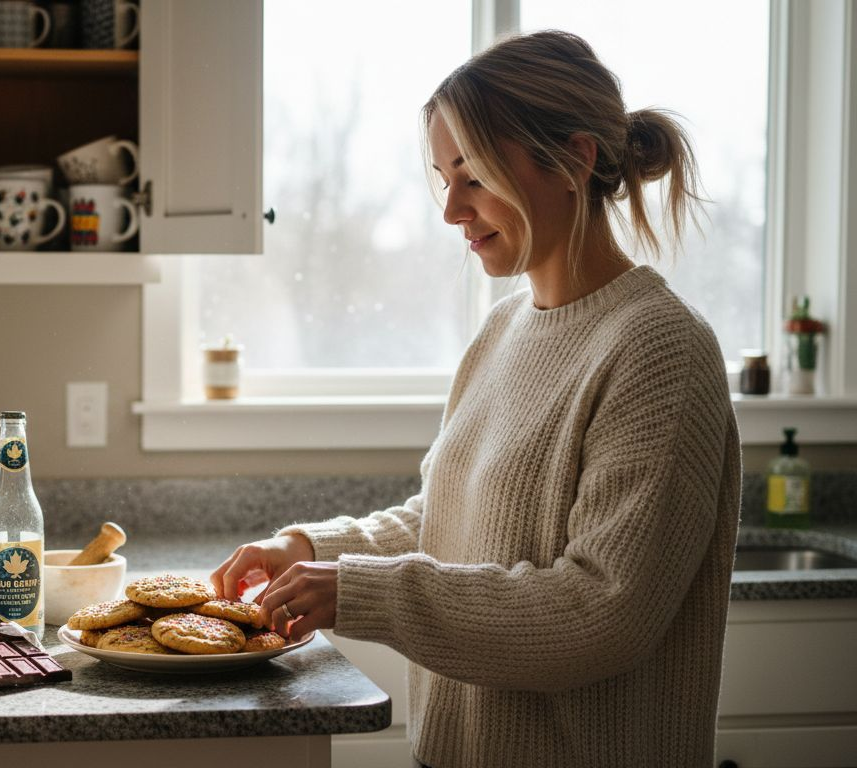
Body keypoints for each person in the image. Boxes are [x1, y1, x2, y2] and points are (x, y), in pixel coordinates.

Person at [211, 30, 740, 768]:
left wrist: (361, 592)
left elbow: (600, 613)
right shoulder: (502, 330)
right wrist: (308, 550)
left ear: (575, 161)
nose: (453, 210)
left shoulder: (659, 348)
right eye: (443, 178)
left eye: (476, 176)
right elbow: (447, 521)